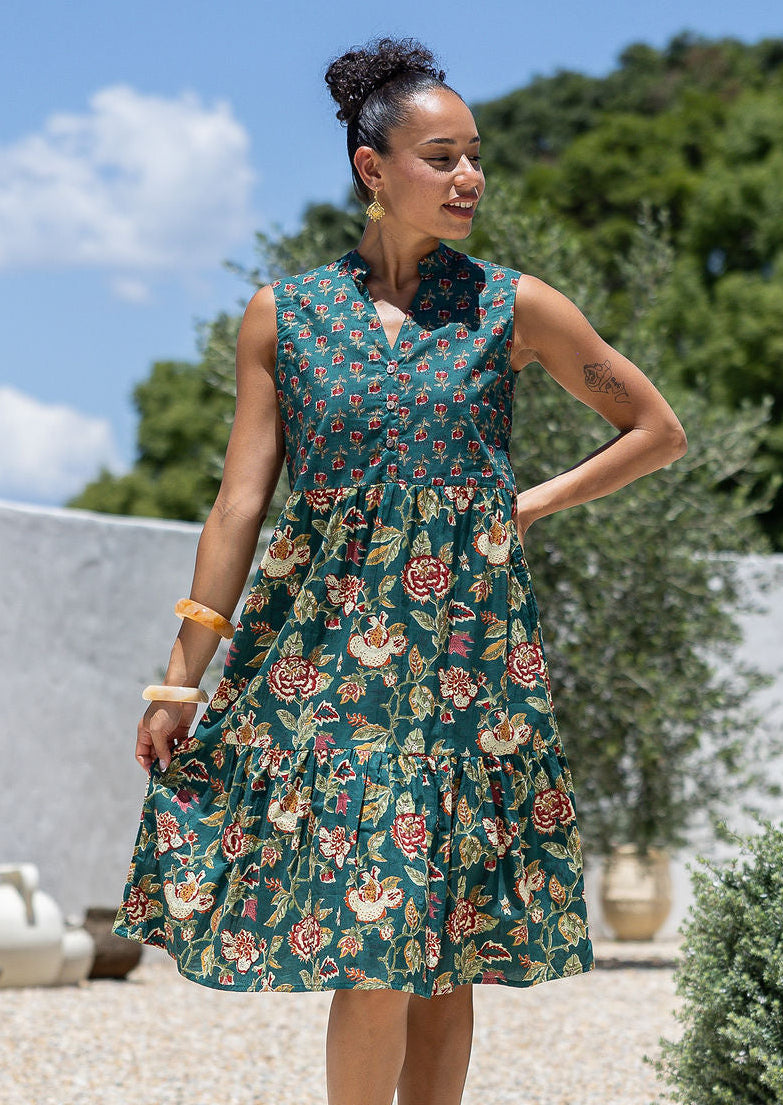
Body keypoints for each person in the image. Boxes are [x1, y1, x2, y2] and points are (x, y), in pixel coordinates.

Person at [113, 35, 687, 1105]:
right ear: (373, 168)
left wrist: (526, 503)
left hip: (468, 662)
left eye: (475, 156)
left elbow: (655, 428)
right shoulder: (283, 316)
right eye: (441, 156)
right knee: (371, 941)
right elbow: (240, 505)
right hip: (322, 663)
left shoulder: (513, 305)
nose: (468, 177)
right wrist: (180, 675)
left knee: (444, 938)